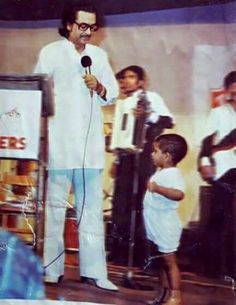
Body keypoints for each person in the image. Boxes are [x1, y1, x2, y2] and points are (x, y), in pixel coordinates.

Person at [34, 1, 119, 291]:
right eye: (83, 26)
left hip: (91, 146)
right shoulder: (50, 53)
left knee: (91, 210)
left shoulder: (99, 55)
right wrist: (42, 140)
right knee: (56, 209)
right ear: (69, 25)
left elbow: (112, 94)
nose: (88, 32)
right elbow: (39, 94)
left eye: (92, 27)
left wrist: (99, 86)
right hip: (60, 143)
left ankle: (95, 272)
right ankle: (51, 269)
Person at [109, 65, 174, 267]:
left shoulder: (150, 97)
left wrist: (148, 115)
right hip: (126, 158)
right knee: (120, 205)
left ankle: (142, 256)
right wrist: (116, 160)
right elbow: (123, 136)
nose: (125, 81)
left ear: (140, 82)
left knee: (140, 204)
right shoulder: (122, 104)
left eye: (130, 77)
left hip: (144, 157)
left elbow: (168, 120)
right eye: (122, 79)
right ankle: (119, 253)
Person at [198, 71, 236, 279]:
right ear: (229, 89)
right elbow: (206, 140)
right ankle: (211, 269)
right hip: (225, 171)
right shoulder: (218, 113)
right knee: (218, 220)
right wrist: (205, 162)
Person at [143, 134, 188, 305]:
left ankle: (176, 295)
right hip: (157, 224)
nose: (152, 154)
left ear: (167, 156)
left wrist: (157, 188)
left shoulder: (172, 174)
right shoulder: (162, 171)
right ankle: (163, 293)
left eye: (156, 151)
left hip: (165, 225)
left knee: (169, 263)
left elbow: (179, 194)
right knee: (162, 263)